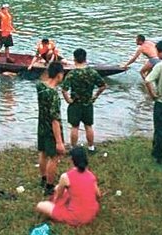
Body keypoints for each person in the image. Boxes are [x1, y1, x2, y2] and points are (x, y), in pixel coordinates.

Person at [35, 146, 101, 226]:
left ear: (72, 160)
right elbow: (98, 195)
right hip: (91, 212)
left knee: (41, 205)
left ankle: (61, 212)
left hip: (76, 217)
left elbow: (57, 196)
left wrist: (54, 204)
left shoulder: (66, 176)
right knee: (63, 189)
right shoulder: (91, 175)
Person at [61, 49, 107, 153]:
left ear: (74, 59)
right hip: (88, 103)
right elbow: (103, 86)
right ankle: (91, 147)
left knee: (74, 127)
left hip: (75, 104)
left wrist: (68, 100)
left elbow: (64, 89)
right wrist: (95, 97)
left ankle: (73, 148)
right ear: (85, 58)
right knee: (88, 126)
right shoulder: (92, 72)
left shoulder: (72, 74)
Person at [37, 62, 66, 196]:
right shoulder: (54, 95)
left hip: (41, 124)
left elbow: (43, 77)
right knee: (53, 157)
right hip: (51, 129)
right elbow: (55, 120)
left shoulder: (40, 86)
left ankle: (43, 178)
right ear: (59, 75)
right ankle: (49, 185)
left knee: (42, 153)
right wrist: (59, 142)